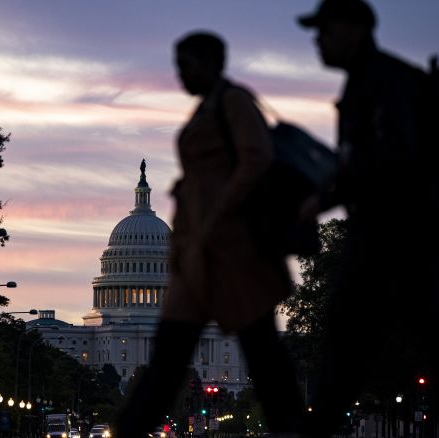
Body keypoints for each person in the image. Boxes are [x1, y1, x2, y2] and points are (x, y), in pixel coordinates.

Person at [296, 1, 439, 436]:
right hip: (398, 232)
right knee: (427, 345)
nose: (317, 41)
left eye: (324, 30)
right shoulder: (376, 81)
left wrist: (328, 196)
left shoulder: (383, 84)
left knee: (353, 342)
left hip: (391, 233)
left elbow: (390, 158)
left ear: (354, 29)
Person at [113, 31, 303, 438]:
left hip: (233, 254)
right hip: (197, 258)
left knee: (264, 359)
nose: (181, 75)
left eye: (187, 65)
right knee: (167, 364)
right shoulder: (208, 110)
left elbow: (257, 161)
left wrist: (218, 214)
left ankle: (294, 429)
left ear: (212, 63)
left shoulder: (233, 103)